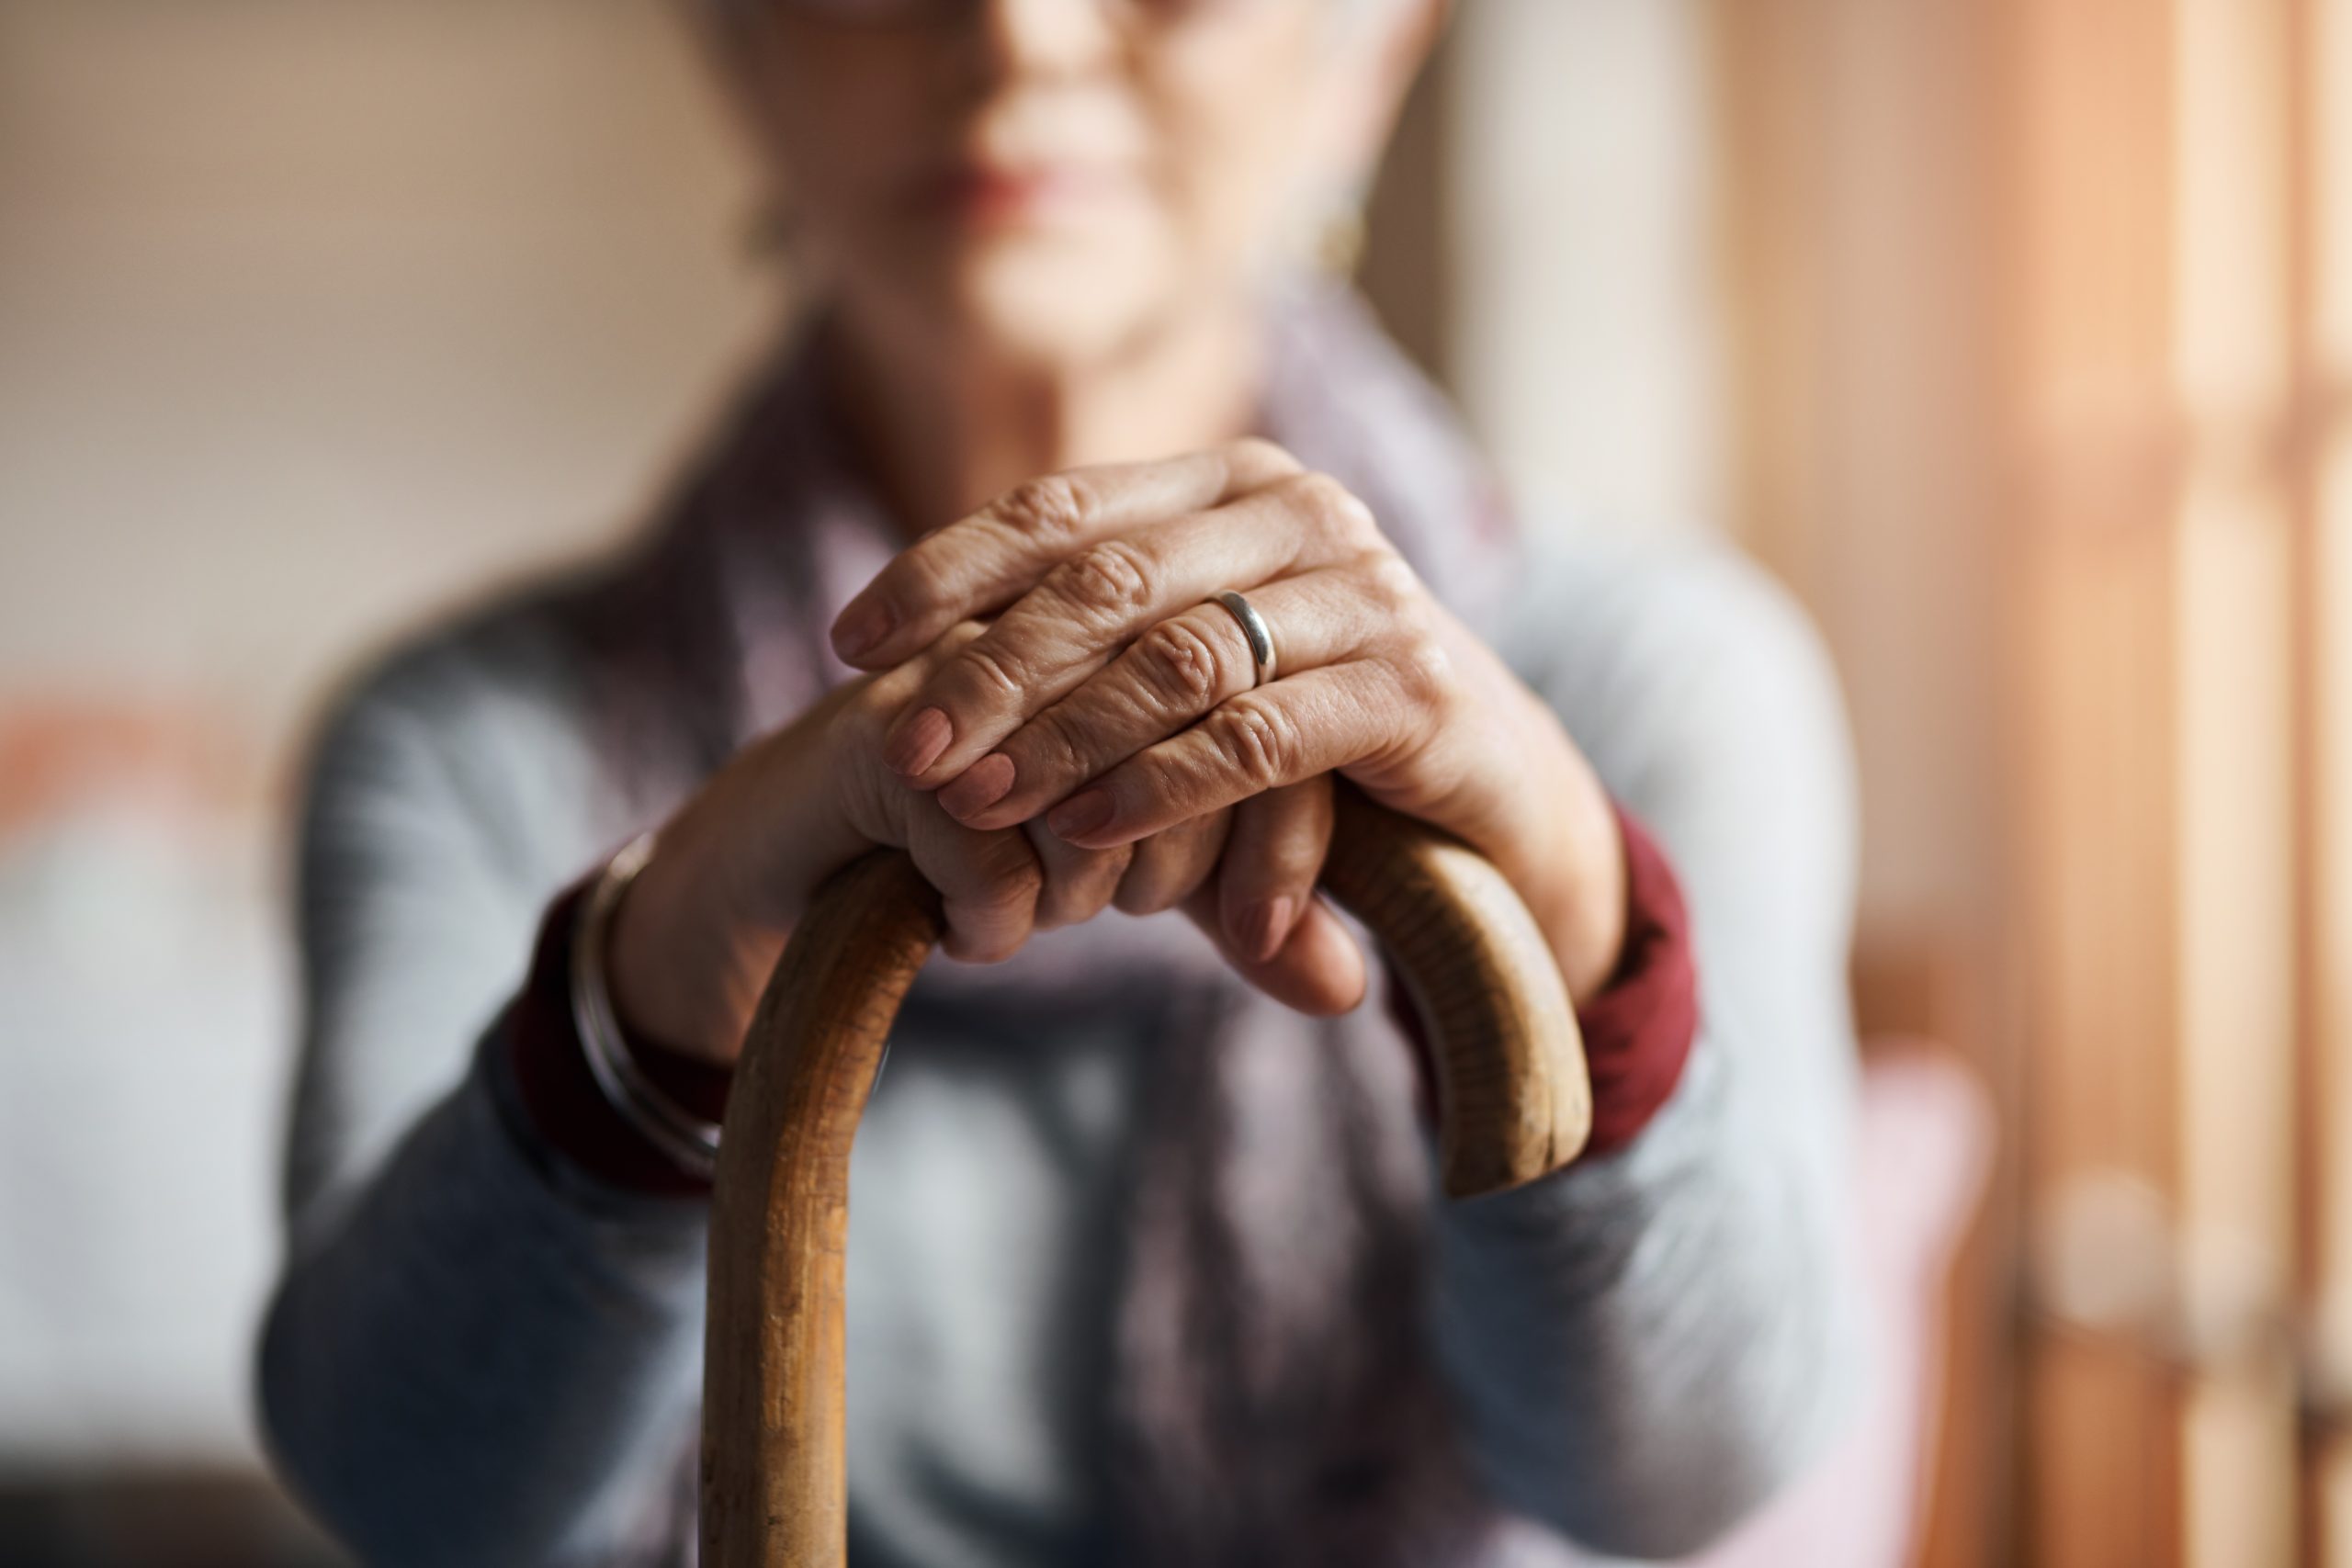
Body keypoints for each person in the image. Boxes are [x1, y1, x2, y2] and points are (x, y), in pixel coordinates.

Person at [255, 1, 1869, 1563]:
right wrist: (651, 983)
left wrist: (1568, 926)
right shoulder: (466, 739)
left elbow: (1681, 1485)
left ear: (1365, 56)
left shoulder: (1651, 680)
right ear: (738, 49)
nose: (1016, 32)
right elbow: (412, 1500)